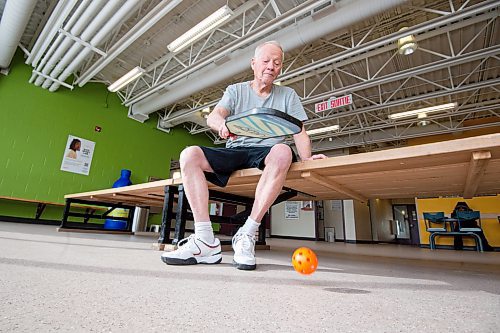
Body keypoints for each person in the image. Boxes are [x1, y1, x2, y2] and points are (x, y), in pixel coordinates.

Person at [161, 41, 327, 270]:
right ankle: (205, 240)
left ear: (280, 68)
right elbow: (215, 115)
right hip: (236, 149)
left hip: (267, 151)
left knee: (283, 151)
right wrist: (220, 124)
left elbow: (300, 132)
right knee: (189, 155)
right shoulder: (235, 90)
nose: (271, 66)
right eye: (266, 61)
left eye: (277, 63)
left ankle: (247, 233)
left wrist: (307, 159)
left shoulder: (288, 95)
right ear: (254, 64)